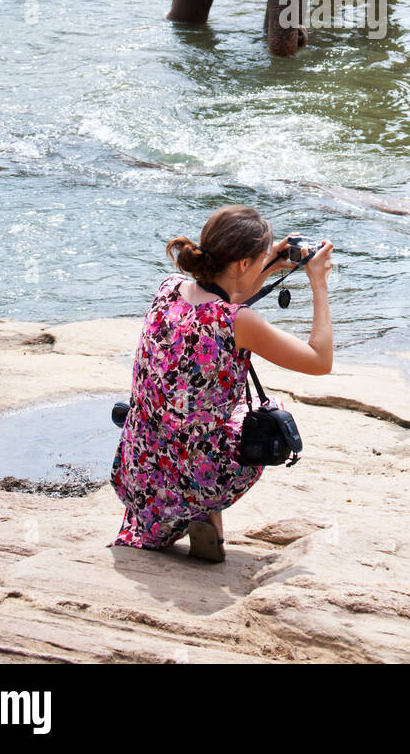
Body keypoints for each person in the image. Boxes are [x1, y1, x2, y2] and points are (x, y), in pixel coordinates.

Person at [110, 205, 333, 562]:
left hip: (138, 471)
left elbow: (224, 296)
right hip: (197, 478)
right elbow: (320, 362)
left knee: (191, 413)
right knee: (266, 416)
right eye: (259, 258)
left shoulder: (169, 289)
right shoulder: (239, 322)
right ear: (243, 264)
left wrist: (271, 263)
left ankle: (188, 518)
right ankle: (204, 511)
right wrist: (318, 283)